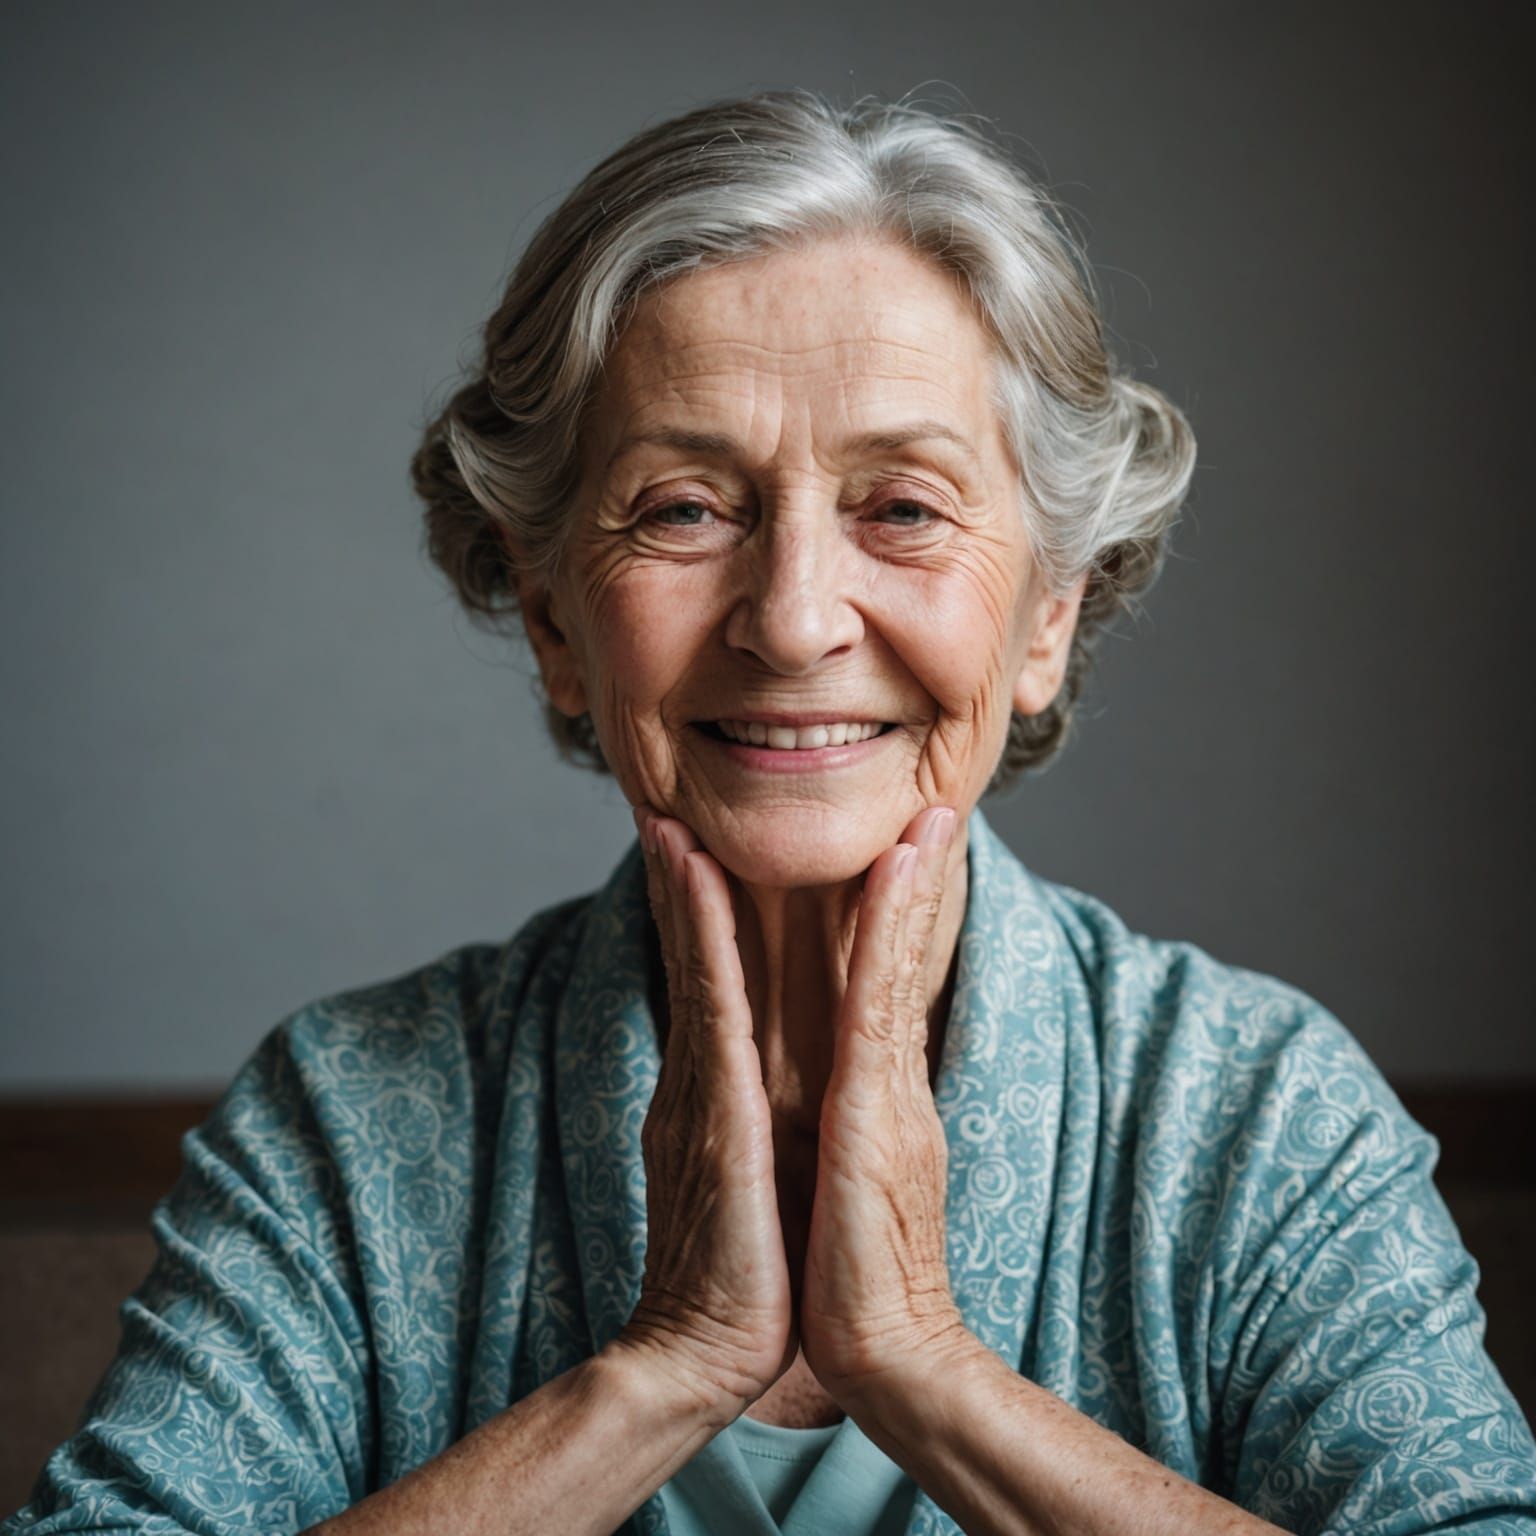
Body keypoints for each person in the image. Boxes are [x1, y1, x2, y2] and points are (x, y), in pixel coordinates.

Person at [5, 89, 1533, 1536]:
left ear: (1048, 618)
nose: (796, 618)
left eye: (905, 509)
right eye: (684, 509)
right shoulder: (352, 1120)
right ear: (551, 622)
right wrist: (664, 1367)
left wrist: (928, 1370)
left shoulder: (1256, 1114)